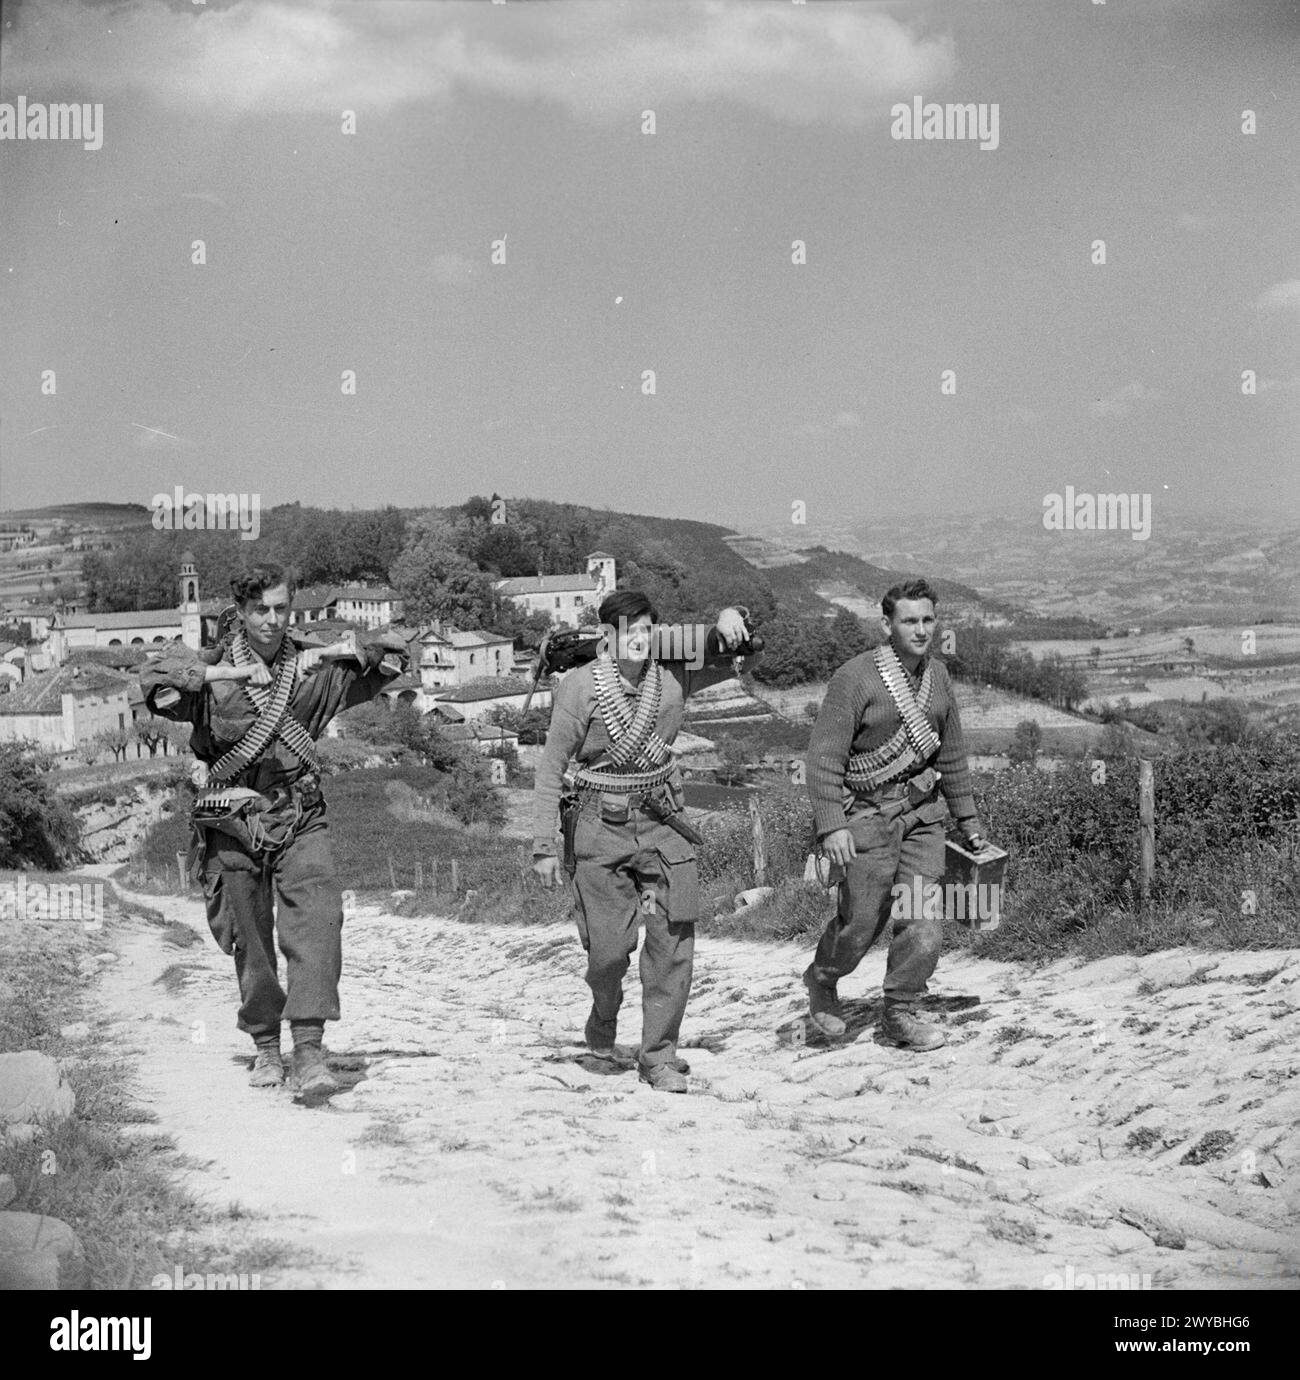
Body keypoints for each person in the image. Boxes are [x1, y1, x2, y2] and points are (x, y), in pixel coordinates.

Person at [140, 563, 409, 1095]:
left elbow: (398, 660)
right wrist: (226, 675)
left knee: (317, 919)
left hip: (302, 814)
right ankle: (266, 1046)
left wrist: (345, 650)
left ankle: (309, 1050)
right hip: (232, 822)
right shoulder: (210, 673)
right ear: (240, 613)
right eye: (260, 609)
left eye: (281, 609)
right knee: (251, 938)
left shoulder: (312, 670)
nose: (271, 620)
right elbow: (152, 683)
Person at [533, 592, 754, 1093]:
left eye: (646, 627)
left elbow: (743, 651)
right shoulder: (579, 687)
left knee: (672, 943)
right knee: (608, 954)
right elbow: (550, 769)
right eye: (625, 627)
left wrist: (730, 617)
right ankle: (604, 1011)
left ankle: (659, 1055)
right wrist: (544, 845)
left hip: (663, 822)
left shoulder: (674, 674)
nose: (637, 637)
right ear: (606, 635)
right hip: (598, 828)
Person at [802, 578, 985, 1051]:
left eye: (928, 619)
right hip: (866, 818)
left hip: (923, 816)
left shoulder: (938, 677)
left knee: (922, 920)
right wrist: (831, 825)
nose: (921, 630)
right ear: (887, 624)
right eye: (909, 620)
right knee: (860, 921)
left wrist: (969, 823)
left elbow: (952, 754)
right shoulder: (856, 678)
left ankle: (900, 1009)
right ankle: (823, 979)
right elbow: (824, 758)